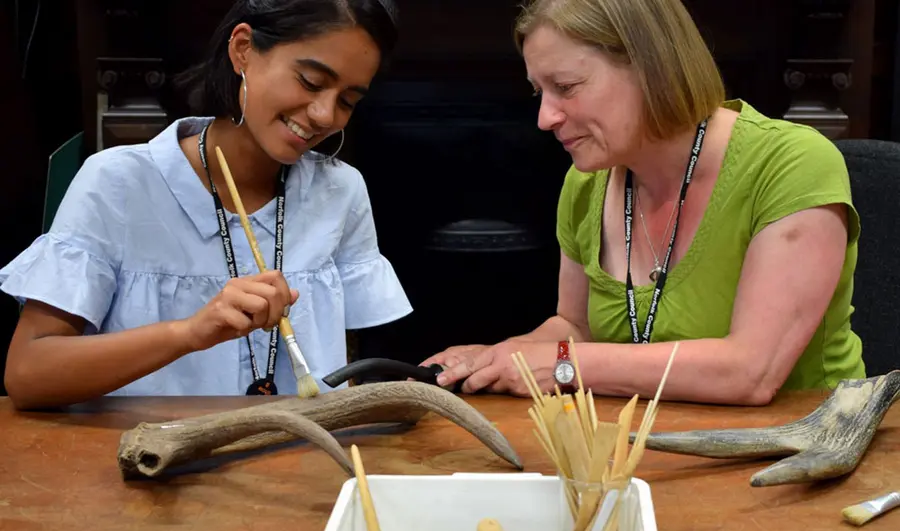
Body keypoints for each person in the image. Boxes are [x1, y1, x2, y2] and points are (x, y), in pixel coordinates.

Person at [421, 0, 866, 406]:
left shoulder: (793, 164)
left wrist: (563, 364)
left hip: (810, 459)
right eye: (540, 92)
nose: (545, 117)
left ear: (652, 67)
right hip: (651, 451)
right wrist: (498, 359)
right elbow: (576, 328)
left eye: (566, 86)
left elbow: (751, 371)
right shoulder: (585, 182)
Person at [0, 0, 412, 409]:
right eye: (310, 81)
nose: (325, 114)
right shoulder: (119, 183)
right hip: (146, 464)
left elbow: (358, 368)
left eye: (348, 101)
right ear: (243, 49)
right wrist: (190, 332)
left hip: (298, 465)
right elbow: (28, 374)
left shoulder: (340, 191)